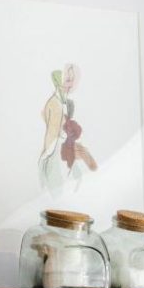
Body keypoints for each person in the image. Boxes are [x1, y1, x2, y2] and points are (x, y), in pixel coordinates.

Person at [38, 62, 98, 192]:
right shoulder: (55, 103)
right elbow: (52, 135)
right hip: (55, 157)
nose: (70, 84)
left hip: (63, 155)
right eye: (67, 79)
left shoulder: (67, 103)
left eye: (73, 81)